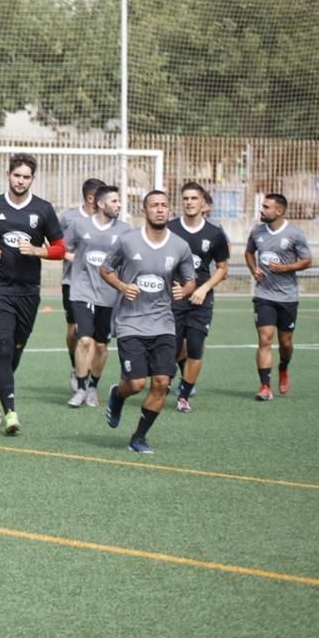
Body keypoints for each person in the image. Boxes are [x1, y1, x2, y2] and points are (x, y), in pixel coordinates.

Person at [0, 153, 65, 437]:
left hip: (28, 291)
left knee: (16, 350)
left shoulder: (43, 210)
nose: (21, 181)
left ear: (32, 179)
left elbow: (60, 247)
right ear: (8, 175)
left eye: (26, 177)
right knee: (3, 346)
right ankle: (10, 411)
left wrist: (38, 251)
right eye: (17, 175)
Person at [100, 189, 196, 454]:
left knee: (162, 383)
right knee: (136, 384)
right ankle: (118, 395)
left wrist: (185, 291)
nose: (160, 209)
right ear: (145, 211)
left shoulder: (180, 246)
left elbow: (190, 280)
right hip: (130, 322)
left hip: (164, 323)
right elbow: (105, 269)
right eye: (154, 205)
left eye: (164, 205)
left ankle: (139, 437)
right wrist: (121, 286)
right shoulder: (127, 241)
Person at [167, 182, 230, 413]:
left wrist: (204, 289)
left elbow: (223, 268)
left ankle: (184, 396)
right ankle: (168, 380)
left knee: (195, 345)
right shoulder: (170, 228)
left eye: (194, 198)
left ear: (203, 202)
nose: (189, 202)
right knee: (171, 347)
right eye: (185, 198)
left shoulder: (214, 233)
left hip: (200, 300)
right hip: (174, 297)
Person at [65, 185, 128, 409]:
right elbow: (63, 248)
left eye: (119, 201)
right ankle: (81, 388)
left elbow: (130, 260)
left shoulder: (125, 230)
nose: (118, 205)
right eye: (114, 201)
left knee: (101, 346)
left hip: (109, 295)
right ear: (100, 204)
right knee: (83, 340)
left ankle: (93, 386)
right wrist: (79, 261)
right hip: (81, 291)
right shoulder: (79, 225)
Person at [244, 192, 312, 400]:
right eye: (262, 206)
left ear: (279, 211)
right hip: (264, 295)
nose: (261, 210)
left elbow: (307, 260)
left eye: (266, 207)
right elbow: (248, 252)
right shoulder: (257, 231)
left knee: (285, 343)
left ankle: (284, 367)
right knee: (265, 340)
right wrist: (254, 269)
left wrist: (285, 268)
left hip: (287, 297)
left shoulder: (295, 234)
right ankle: (265, 386)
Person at [59, 178, 105, 394]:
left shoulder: (109, 222)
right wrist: (76, 258)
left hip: (102, 286)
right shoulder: (69, 218)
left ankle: (87, 380)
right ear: (91, 198)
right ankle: (74, 365)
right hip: (73, 282)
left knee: (94, 337)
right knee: (73, 332)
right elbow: (57, 247)